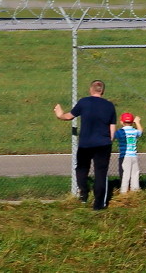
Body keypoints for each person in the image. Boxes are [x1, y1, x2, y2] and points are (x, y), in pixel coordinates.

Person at [53, 79, 117, 210]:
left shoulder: (84, 102)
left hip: (85, 143)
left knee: (81, 169)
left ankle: (84, 192)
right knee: (100, 173)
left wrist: (60, 114)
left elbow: (69, 116)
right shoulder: (110, 106)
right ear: (102, 91)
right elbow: (112, 128)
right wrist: (109, 140)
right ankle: (99, 204)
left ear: (91, 90)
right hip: (103, 144)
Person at [115, 112, 144, 193]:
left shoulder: (120, 132)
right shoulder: (134, 131)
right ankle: (135, 190)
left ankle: (124, 192)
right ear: (132, 122)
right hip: (133, 156)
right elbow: (140, 132)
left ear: (121, 122)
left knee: (125, 174)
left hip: (124, 156)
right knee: (135, 174)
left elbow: (113, 136)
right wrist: (138, 122)